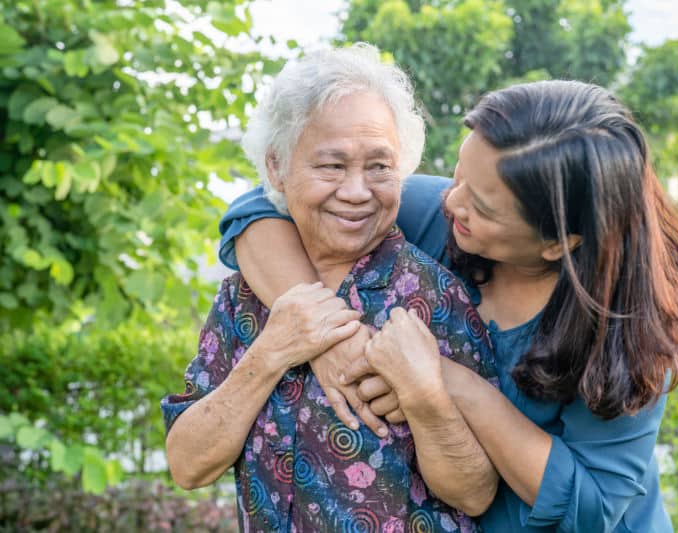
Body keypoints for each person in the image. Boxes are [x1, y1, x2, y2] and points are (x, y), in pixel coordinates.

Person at [218, 79, 678, 532]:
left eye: (483, 208)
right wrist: (327, 335)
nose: (451, 202)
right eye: (458, 175)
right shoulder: (437, 216)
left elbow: (594, 508)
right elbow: (261, 208)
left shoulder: (629, 331)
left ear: (559, 243)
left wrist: (453, 385)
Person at [161, 44, 498, 533]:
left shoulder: (436, 295)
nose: (358, 191)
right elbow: (188, 466)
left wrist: (426, 399)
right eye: (332, 166)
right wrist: (272, 352)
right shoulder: (244, 296)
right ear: (276, 168)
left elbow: (476, 492)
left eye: (380, 166)